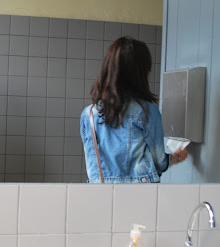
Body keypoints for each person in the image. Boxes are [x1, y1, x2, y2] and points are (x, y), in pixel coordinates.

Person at [80, 36, 188, 183]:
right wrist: (177, 156)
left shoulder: (88, 115)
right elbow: (160, 163)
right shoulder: (147, 111)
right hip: (139, 191)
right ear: (140, 73)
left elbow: (93, 166)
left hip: (100, 192)